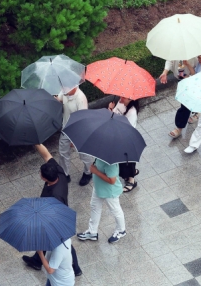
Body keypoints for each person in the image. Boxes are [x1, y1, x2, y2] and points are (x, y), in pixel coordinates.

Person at [22, 144, 81, 277]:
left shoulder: (54, 197)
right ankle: (37, 260)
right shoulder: (58, 171)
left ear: (44, 178)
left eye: (40, 174)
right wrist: (36, 142)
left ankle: (75, 268)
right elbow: (46, 155)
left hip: (56, 220)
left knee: (63, 243)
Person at [77, 158, 126, 244]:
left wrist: (96, 172)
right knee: (94, 206)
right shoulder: (99, 156)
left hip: (110, 192)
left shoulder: (111, 164)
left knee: (115, 211)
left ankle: (121, 230)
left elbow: (112, 181)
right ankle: (92, 232)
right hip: (98, 188)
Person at [55, 86, 92, 186]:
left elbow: (82, 120)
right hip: (66, 128)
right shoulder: (64, 92)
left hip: (79, 130)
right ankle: (64, 174)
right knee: (63, 152)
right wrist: (55, 99)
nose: (64, 90)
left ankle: (88, 172)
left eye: (67, 88)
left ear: (74, 86)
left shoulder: (81, 98)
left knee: (84, 154)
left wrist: (74, 138)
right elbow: (59, 99)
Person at [109, 96, 141, 192]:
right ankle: (130, 174)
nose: (121, 98)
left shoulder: (132, 112)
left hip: (126, 139)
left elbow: (126, 129)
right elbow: (114, 114)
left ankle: (131, 180)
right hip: (118, 137)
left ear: (131, 99)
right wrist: (111, 109)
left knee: (127, 161)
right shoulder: (120, 102)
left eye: (124, 98)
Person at [165, 57, 200, 138]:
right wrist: (165, 72)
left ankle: (179, 128)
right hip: (181, 80)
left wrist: (189, 76)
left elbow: (198, 71)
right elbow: (170, 60)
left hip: (191, 81)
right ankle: (197, 111)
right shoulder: (175, 50)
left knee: (185, 105)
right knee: (189, 101)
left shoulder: (194, 55)